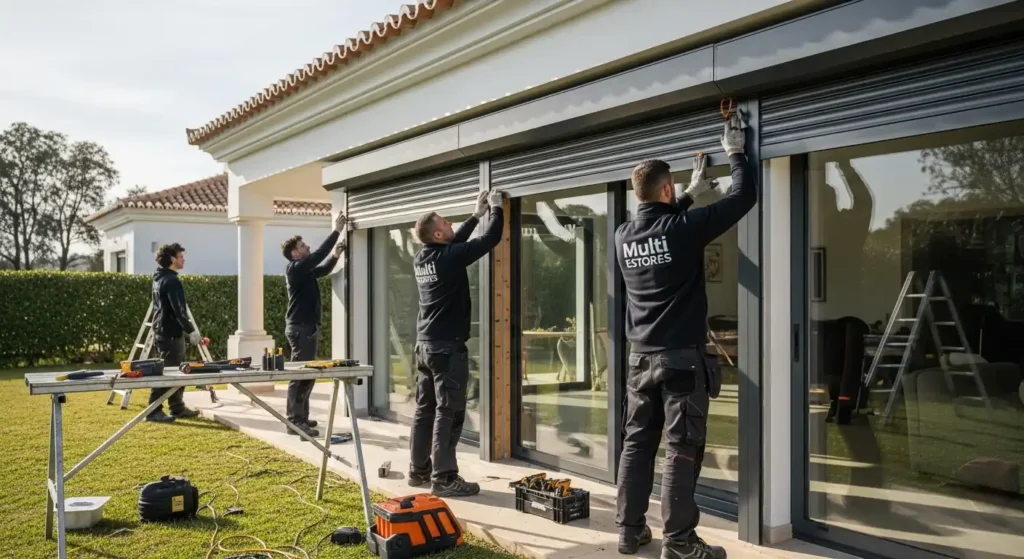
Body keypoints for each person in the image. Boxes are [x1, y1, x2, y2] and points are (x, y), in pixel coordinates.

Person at [614, 111, 755, 559]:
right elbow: (744, 196)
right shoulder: (683, 228)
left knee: (637, 444)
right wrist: (736, 153)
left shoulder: (622, 235)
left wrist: (689, 194)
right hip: (680, 360)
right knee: (681, 448)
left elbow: (659, 227)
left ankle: (629, 532)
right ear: (667, 189)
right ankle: (678, 542)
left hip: (639, 360)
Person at [409, 188, 505, 497]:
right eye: (445, 222)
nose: (450, 222)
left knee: (425, 409)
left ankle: (418, 471)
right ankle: (445, 478)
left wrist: (475, 216)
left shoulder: (422, 257)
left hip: (425, 346)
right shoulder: (448, 257)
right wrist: (496, 209)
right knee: (448, 412)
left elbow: (454, 243)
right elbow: (489, 240)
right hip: (446, 349)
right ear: (437, 234)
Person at [281, 211, 348, 437]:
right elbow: (318, 256)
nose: (307, 246)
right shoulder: (295, 268)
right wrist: (337, 230)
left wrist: (336, 256)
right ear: (295, 253)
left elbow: (323, 269)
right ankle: (294, 421)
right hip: (301, 328)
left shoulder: (304, 271)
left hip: (306, 328)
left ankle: (301, 416)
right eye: (303, 245)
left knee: (307, 373)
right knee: (300, 374)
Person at [146, 243, 204, 423]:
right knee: (167, 372)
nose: (183, 259)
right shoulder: (172, 281)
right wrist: (191, 331)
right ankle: (153, 411)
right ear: (172, 259)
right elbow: (179, 310)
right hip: (170, 333)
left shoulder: (158, 277)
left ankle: (177, 407)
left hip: (162, 330)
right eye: (180, 257)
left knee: (176, 370)